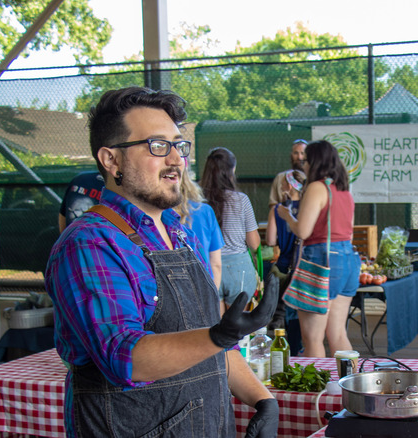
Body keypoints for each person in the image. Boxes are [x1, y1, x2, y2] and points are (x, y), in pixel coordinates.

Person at [45, 87, 278, 438]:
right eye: (157, 146)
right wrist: (219, 334)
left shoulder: (178, 231)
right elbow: (124, 355)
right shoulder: (89, 243)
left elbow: (211, 343)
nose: (176, 160)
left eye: (179, 146)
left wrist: (262, 399)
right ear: (111, 160)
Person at [277, 140, 360, 358]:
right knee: (338, 334)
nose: (303, 165)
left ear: (316, 162)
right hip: (348, 260)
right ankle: (350, 387)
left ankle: (316, 390)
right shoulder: (344, 191)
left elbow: (303, 231)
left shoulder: (316, 187)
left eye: (306, 161)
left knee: (313, 338)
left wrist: (287, 216)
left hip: (321, 260)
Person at [201, 147, 261, 310]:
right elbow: (254, 244)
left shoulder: (198, 201)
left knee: (217, 330)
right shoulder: (241, 200)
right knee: (237, 329)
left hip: (208, 267)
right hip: (238, 268)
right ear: (232, 170)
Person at [265, 169, 305, 353]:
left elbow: (271, 240)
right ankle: (299, 350)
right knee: (299, 312)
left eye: (282, 183)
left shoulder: (277, 210)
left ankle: (282, 349)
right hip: (302, 269)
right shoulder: (308, 208)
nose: (280, 186)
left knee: (281, 310)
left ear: (289, 185)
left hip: (283, 267)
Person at [177, 167, 224, 300]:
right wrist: (213, 298)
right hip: (203, 288)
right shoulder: (205, 211)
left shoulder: (156, 214)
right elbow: (216, 263)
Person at [268, 139, 307, 207]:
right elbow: (273, 203)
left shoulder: (312, 178)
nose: (299, 157)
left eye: (302, 153)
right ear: (291, 155)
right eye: (296, 153)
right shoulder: (280, 177)